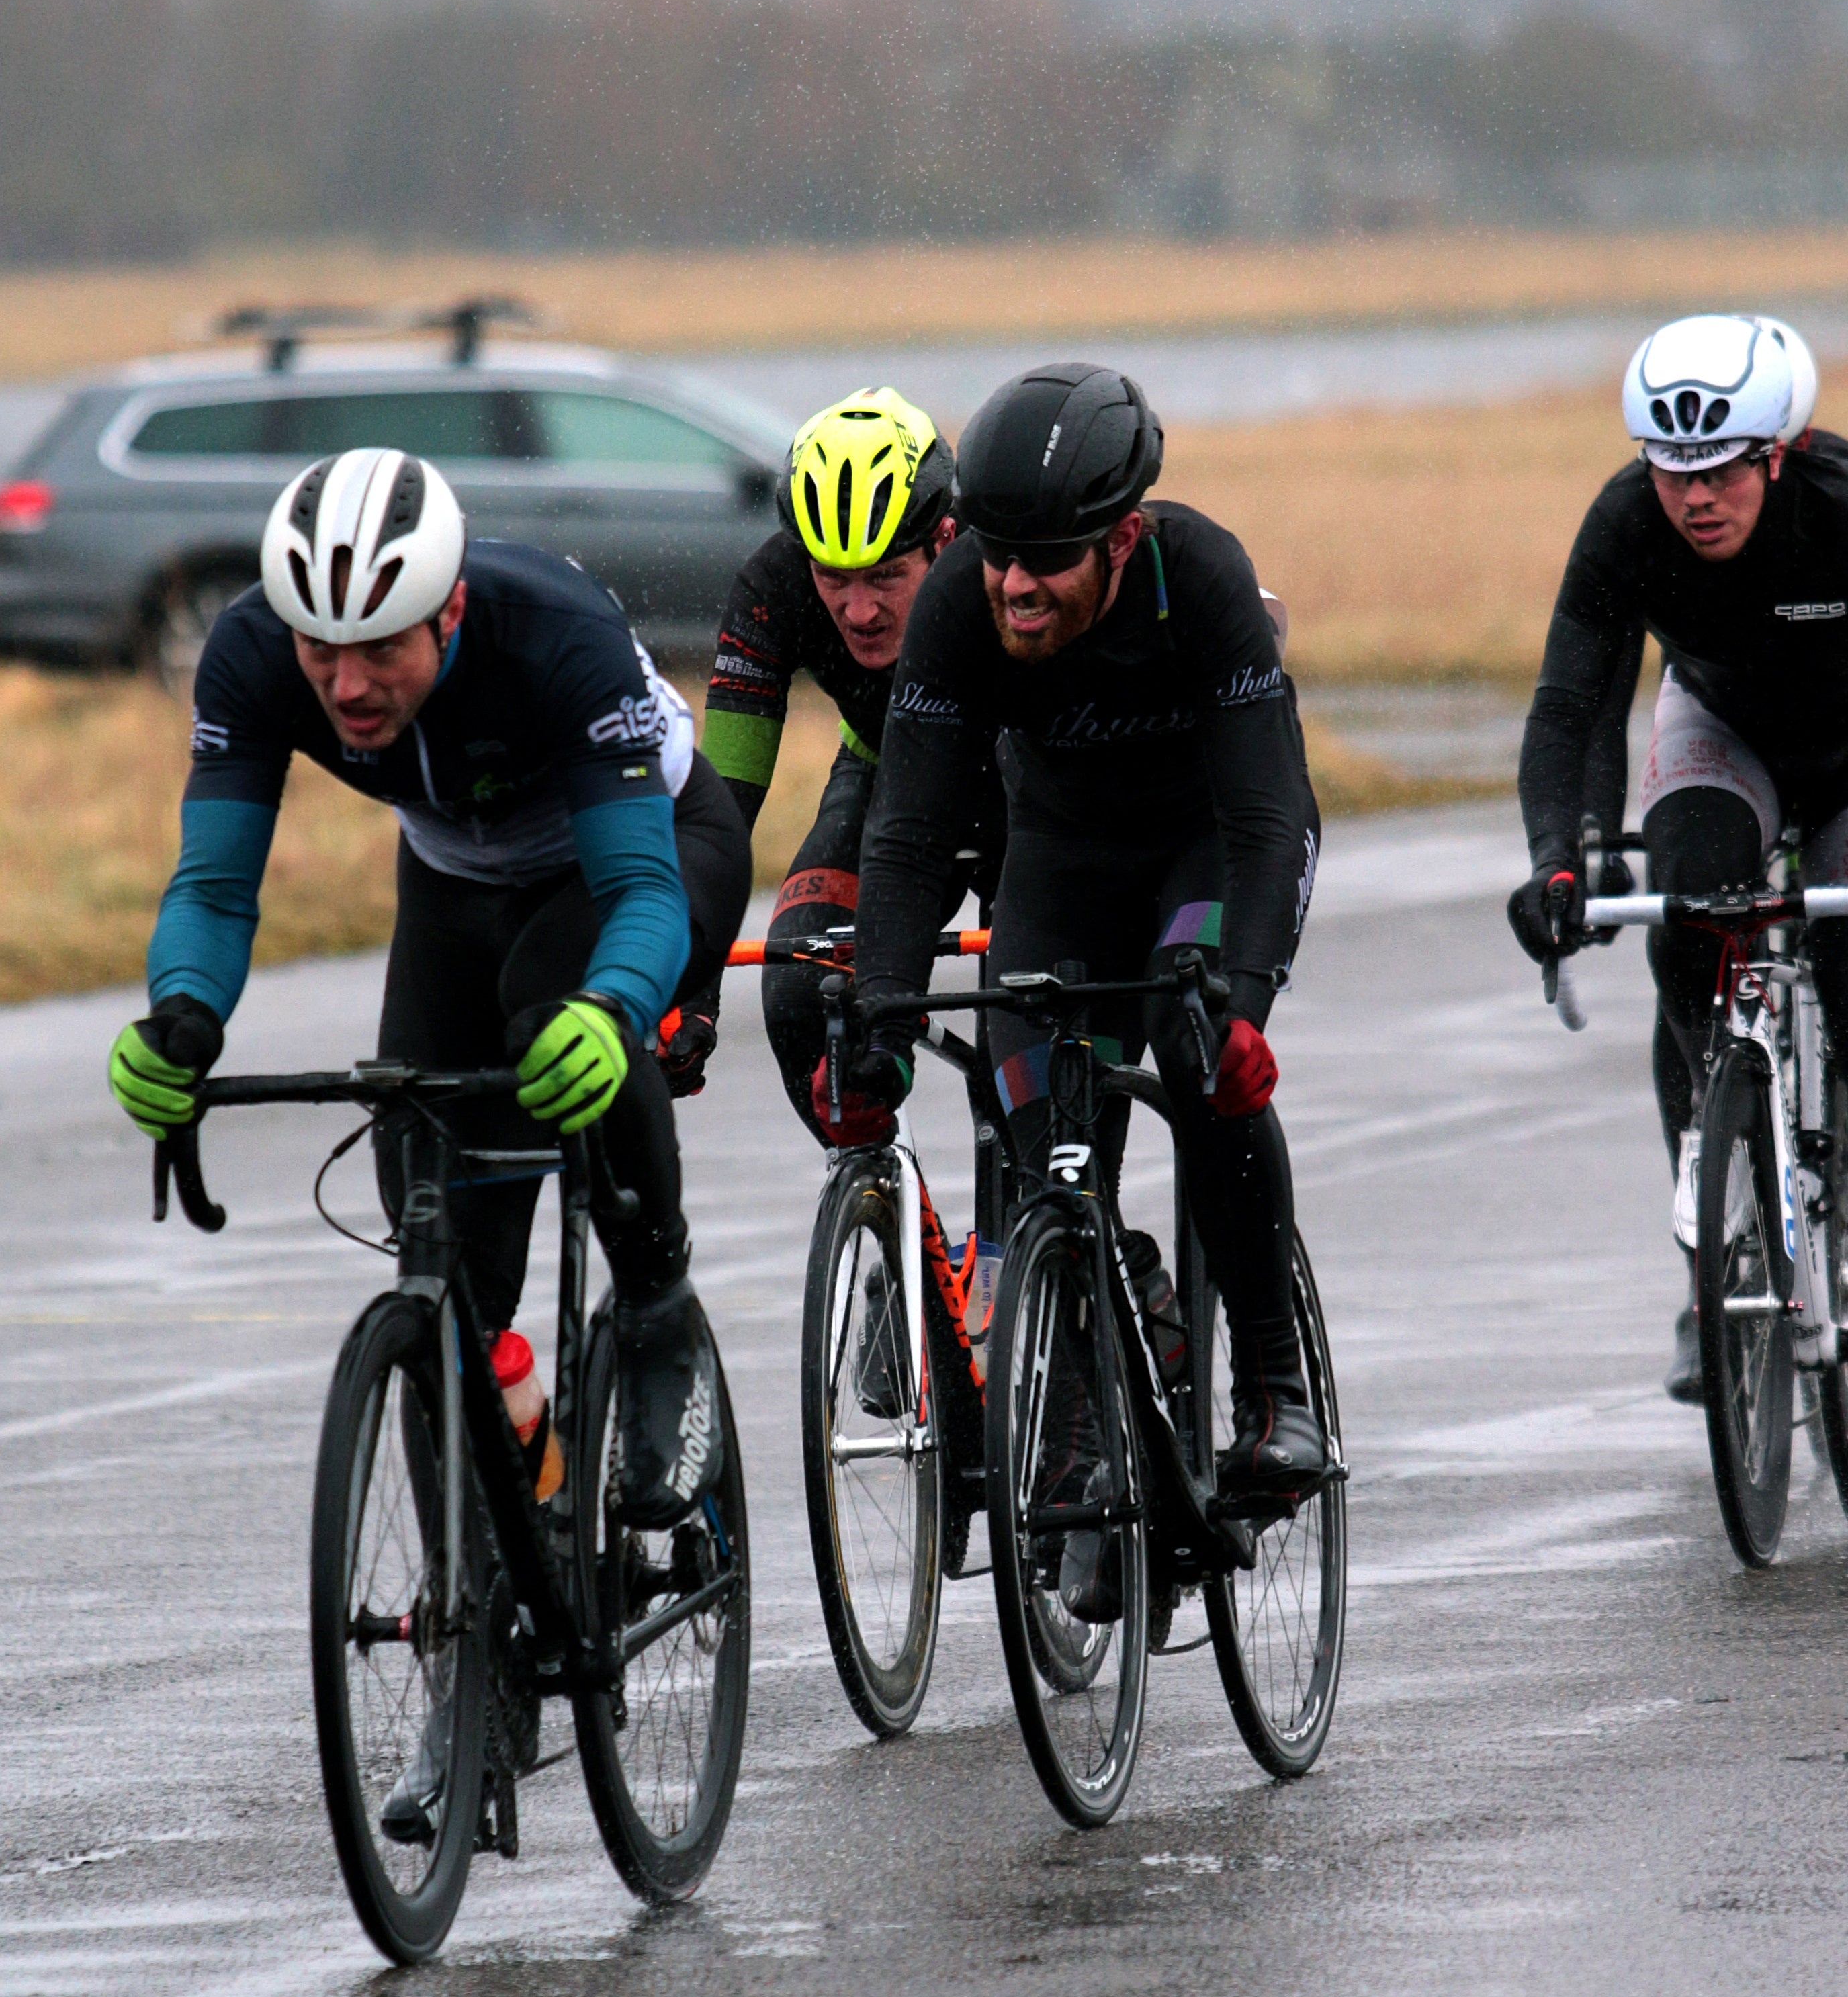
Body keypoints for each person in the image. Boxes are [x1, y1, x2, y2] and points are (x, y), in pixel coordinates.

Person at [106, 447, 752, 1533]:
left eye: (378, 650)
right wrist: (181, 1018)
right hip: (457, 877)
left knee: (559, 1019)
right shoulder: (253, 654)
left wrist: (616, 1011)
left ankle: (656, 1307)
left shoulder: (556, 632)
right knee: (443, 1247)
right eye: (323, 649)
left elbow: (642, 890)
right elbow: (215, 889)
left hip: (641, 853)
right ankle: (499, 1586)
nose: (347, 685)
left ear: (448, 611)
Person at [842, 359, 1326, 1611]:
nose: (1012, 584)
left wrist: (1249, 1000)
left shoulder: (1199, 579)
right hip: (1058, 858)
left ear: (1119, 540)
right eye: (997, 554)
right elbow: (905, 830)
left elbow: (1270, 817)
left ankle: (1274, 1386)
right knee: (1031, 1104)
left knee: (1193, 1042)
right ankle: (1083, 1398)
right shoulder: (960, 603)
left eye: (1044, 560)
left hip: (1205, 845)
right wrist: (883, 1001)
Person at [1508, 314, 1848, 1450]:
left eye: (1717, 470)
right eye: (1670, 468)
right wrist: (1561, 854)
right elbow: (1572, 703)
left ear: (1776, 453)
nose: (1692, 496)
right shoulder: (1623, 521)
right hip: (1724, 731)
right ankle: (1716, 1217)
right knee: (1687, 912)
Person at [696, 387, 1000, 1137]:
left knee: (1022, 1046)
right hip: (886, 779)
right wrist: (689, 987)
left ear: (946, 540)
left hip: (1019, 789)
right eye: (834, 579)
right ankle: (883, 1209)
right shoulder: (772, 587)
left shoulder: (999, 572)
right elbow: (718, 811)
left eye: (887, 577)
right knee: (802, 992)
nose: (859, 610)